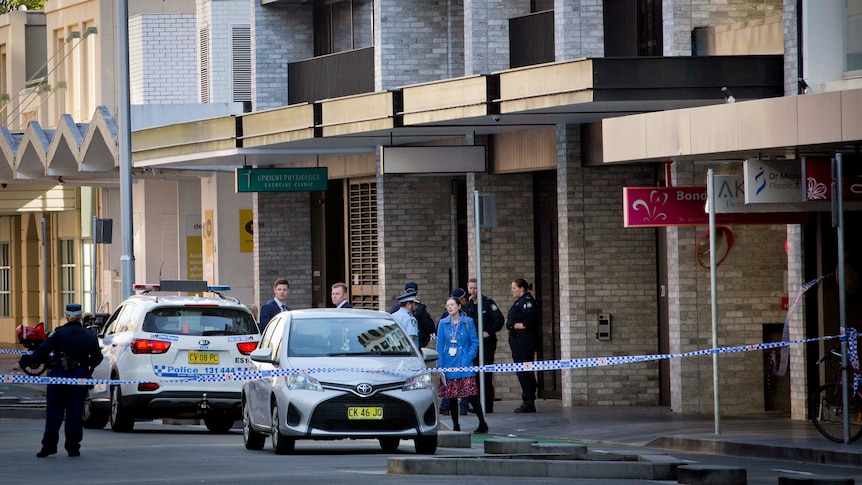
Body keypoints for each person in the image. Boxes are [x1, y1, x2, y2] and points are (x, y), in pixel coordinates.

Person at [12, 303, 103, 457]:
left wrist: (22, 363)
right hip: (79, 377)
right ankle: (73, 447)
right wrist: (86, 367)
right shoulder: (90, 336)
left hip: (58, 377)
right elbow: (97, 358)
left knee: (54, 412)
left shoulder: (58, 334)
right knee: (75, 413)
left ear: (66, 316)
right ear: (81, 316)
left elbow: (41, 351)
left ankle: (48, 446)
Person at [436, 296, 488, 434]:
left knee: (471, 394)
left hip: (465, 362)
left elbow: (474, 342)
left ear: (459, 306)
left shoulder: (468, 322)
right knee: (452, 396)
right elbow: (440, 345)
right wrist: (440, 365)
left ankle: (482, 423)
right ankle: (456, 425)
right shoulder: (443, 323)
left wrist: (468, 356)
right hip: (449, 362)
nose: (450, 307)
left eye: (452, 304)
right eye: (448, 305)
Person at [464, 278, 506, 413]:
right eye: (470, 288)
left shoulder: (487, 303)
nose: (473, 291)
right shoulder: (468, 306)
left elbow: (499, 319)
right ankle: (477, 405)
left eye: (475, 288)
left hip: (487, 344)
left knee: (486, 375)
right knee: (474, 375)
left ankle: (487, 405)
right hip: (473, 345)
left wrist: (488, 332)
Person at [507, 278, 540, 413]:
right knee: (521, 370)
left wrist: (521, 325)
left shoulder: (527, 301)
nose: (512, 290)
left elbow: (532, 318)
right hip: (517, 341)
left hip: (524, 341)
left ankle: (529, 400)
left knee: (525, 370)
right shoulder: (519, 302)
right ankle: (526, 399)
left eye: (514, 288)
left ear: (521, 288)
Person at [439, 288, 471, 415]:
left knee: (465, 380)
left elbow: (471, 338)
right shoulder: (445, 318)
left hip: (463, 354)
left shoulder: (466, 317)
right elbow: (440, 339)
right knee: (449, 381)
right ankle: (446, 406)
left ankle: (463, 407)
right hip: (449, 355)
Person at [389, 281, 435, 347]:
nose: (417, 307)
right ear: (408, 305)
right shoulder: (411, 319)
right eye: (415, 304)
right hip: (409, 353)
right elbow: (411, 339)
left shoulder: (393, 315)